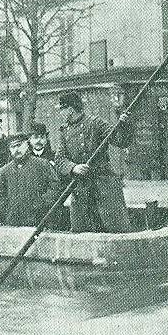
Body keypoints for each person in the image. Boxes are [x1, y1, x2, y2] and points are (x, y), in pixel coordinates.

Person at [53, 91, 133, 233]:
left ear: (70, 110)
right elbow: (59, 159)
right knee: (82, 230)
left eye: (61, 110)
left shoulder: (96, 123)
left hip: (105, 184)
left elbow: (121, 141)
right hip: (81, 188)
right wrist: (73, 168)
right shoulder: (64, 131)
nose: (60, 113)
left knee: (116, 228)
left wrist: (125, 125)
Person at [0, 133, 61, 227]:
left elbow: (55, 187)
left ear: (26, 144)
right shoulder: (4, 171)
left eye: (19, 145)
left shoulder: (42, 164)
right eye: (12, 147)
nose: (16, 150)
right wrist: (9, 210)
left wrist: (41, 204)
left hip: (39, 220)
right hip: (13, 222)